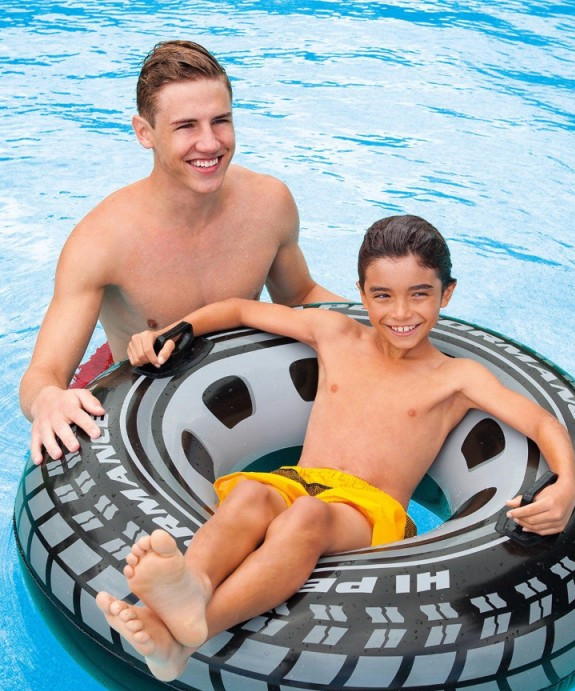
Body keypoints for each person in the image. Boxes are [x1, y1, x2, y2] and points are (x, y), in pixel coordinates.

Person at [95, 214, 575, 682]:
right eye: (383, 295)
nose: (401, 313)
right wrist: (177, 331)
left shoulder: (455, 377)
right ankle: (192, 588)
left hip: (369, 511)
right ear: (361, 294)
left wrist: (567, 486)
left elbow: (541, 421)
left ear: (446, 294)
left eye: (419, 294)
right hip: (298, 481)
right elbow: (241, 310)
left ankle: (193, 632)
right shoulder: (336, 333)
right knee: (249, 495)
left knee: (306, 517)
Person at [19, 40, 340, 466]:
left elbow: (300, 297)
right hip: (141, 400)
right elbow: (43, 373)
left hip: (249, 392)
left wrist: (381, 321)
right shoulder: (101, 242)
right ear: (144, 132)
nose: (209, 143)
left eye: (220, 121)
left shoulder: (268, 204)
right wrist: (47, 399)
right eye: (186, 126)